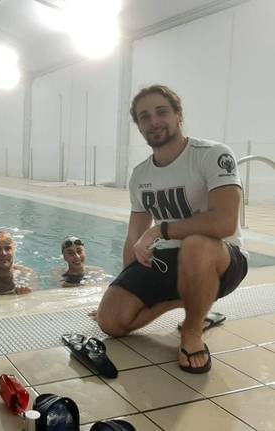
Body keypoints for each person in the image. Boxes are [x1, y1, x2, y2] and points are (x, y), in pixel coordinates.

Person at [94, 84, 247, 374]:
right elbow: (133, 237)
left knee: (196, 244)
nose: (154, 121)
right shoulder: (140, 175)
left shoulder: (211, 154)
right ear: (139, 126)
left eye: (161, 112)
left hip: (221, 260)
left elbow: (225, 222)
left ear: (178, 115)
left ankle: (192, 333)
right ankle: (189, 303)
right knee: (110, 322)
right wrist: (121, 287)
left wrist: (160, 230)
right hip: (169, 262)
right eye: (144, 117)